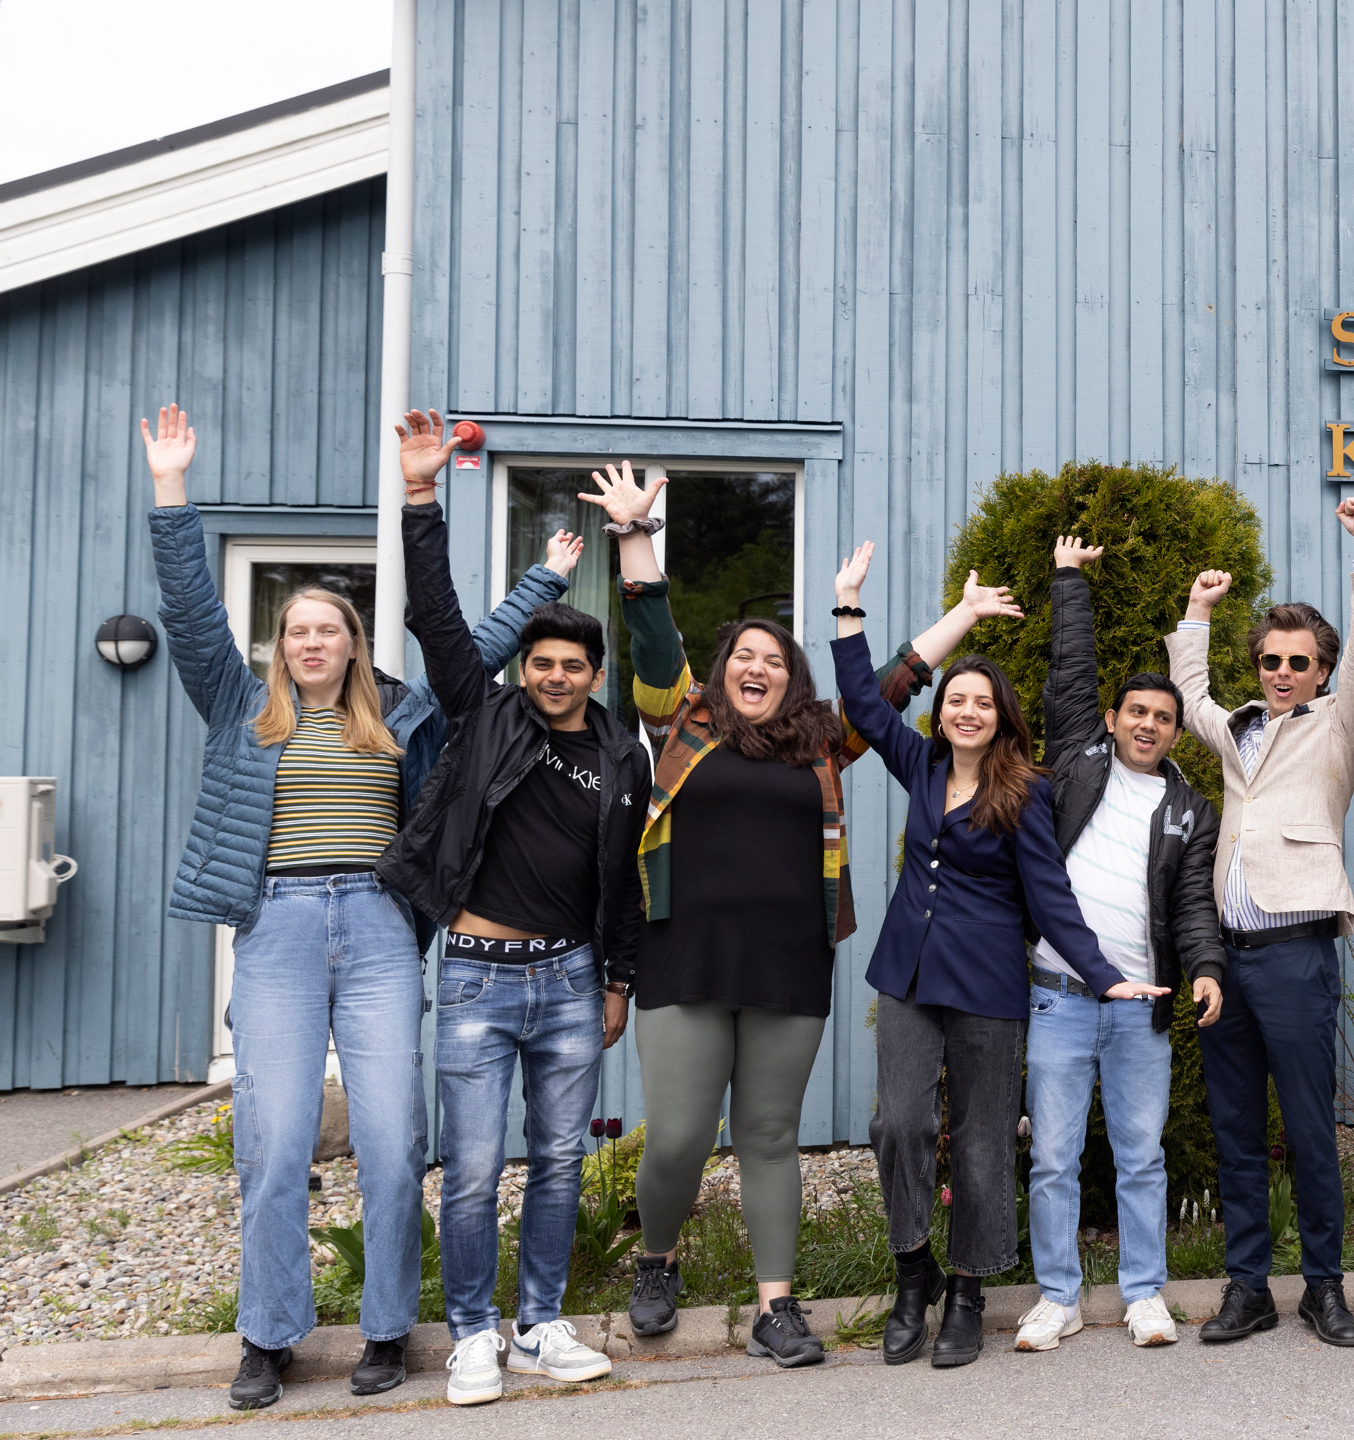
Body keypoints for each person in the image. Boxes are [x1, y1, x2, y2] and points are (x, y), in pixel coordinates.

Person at [141, 404, 569, 1410]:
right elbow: (190, 609)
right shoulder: (239, 706)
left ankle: (385, 1329)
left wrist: (544, 580)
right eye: (296, 630)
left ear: (352, 642)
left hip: (377, 931)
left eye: (328, 628)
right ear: (280, 646)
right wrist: (171, 488)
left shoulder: (401, 716)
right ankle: (269, 1335)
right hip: (280, 930)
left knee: (388, 1140)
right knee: (278, 1139)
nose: (312, 641)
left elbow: (479, 648)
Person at [581, 463, 1011, 1370]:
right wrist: (635, 535)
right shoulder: (683, 720)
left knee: (772, 1136)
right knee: (685, 1137)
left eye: (775, 661)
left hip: (789, 963)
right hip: (683, 956)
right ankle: (657, 1261)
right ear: (724, 668)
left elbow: (894, 682)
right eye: (745, 655)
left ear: (793, 679)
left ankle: (777, 1308)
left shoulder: (822, 738)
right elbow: (654, 636)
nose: (757, 668)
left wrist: (964, 617)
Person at [828, 542, 1167, 1370]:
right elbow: (867, 706)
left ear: (1000, 714)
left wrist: (1106, 976)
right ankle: (915, 1273)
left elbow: (1051, 898)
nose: (967, 713)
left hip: (987, 986)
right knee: (898, 1121)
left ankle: (971, 1291)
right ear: (942, 712)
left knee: (983, 1141)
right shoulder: (920, 761)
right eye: (957, 701)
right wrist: (850, 608)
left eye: (982, 703)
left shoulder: (1027, 790)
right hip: (907, 976)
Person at [374, 410, 639, 1405]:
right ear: (522, 672)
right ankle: (475, 1334)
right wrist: (419, 495)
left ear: (593, 676)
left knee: (562, 1168)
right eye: (542, 663)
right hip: (481, 978)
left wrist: (618, 978)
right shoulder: (482, 718)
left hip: (572, 979)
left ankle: (540, 1324)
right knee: (478, 1172)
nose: (557, 676)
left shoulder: (621, 757)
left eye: (574, 665)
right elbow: (436, 617)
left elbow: (626, 879)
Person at [1164, 498, 1354, 1348]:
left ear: (1321, 670)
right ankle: (1247, 1287)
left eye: (1298, 661)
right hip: (1228, 956)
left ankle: (1325, 1288)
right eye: (1270, 661)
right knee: (1235, 1129)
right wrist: (1200, 611)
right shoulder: (1238, 731)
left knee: (1309, 1127)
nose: (1281, 672)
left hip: (1296, 954)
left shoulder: (1339, 723)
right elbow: (1188, 696)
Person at [1012, 536, 1226, 1353]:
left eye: (1164, 718)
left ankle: (1144, 1295)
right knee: (1055, 1159)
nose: (1149, 725)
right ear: (1113, 720)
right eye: (1137, 711)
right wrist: (1067, 578)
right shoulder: (1076, 760)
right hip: (1059, 997)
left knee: (1141, 1158)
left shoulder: (1189, 810)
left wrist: (1206, 969)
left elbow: (1194, 908)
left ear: (1176, 733)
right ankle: (1058, 1297)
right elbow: (1069, 670)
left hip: (1143, 1007)